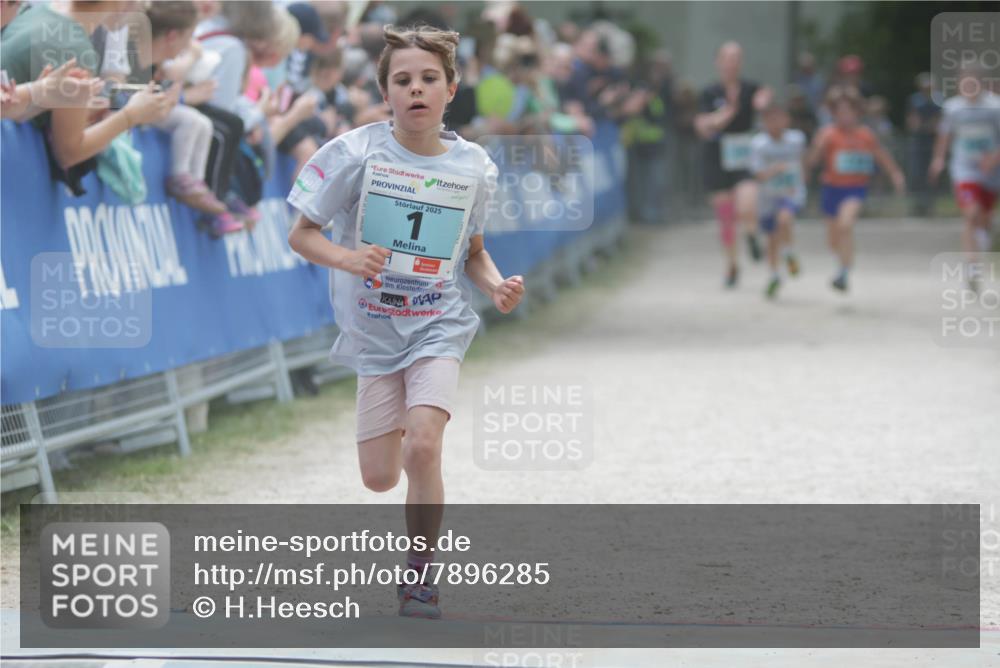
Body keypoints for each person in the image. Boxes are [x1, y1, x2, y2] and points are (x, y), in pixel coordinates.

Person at [286, 24, 525, 619]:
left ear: (451, 89)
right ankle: (397, 428)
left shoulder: (474, 166)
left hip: (437, 323)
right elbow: (301, 234)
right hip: (373, 331)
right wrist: (348, 258)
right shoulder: (354, 154)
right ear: (385, 91)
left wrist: (496, 286)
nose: (416, 89)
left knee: (424, 444)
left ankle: (420, 577)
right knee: (378, 478)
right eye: (402, 80)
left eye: (428, 78)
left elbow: (472, 252)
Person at [807, 86, 905, 293]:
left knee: (846, 224)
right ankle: (843, 260)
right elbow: (813, 161)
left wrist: (895, 173)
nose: (845, 116)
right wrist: (818, 147)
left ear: (857, 112)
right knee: (833, 239)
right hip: (831, 188)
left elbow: (881, 154)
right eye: (840, 111)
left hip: (855, 188)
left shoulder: (865, 134)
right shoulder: (828, 134)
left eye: (849, 111)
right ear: (834, 113)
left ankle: (844, 271)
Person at [695, 41, 773, 287]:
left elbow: (766, 101)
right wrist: (725, 114)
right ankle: (731, 265)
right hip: (717, 157)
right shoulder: (709, 93)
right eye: (727, 58)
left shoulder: (751, 88)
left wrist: (765, 101)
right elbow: (703, 125)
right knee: (726, 217)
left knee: (747, 204)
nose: (732, 63)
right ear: (718, 62)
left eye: (736, 58)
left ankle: (751, 235)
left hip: (744, 156)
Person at [928, 67, 1000, 292]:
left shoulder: (994, 107)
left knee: (985, 218)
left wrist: (994, 158)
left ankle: (984, 238)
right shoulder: (953, 108)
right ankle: (972, 266)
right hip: (964, 169)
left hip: (991, 172)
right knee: (971, 214)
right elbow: (945, 136)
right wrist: (938, 159)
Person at [750, 102, 806, 299]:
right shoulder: (759, 144)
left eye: (779, 118)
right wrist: (776, 170)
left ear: (787, 120)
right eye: (770, 119)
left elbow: (802, 162)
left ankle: (788, 252)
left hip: (790, 192)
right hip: (768, 195)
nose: (775, 123)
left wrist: (800, 180)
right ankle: (774, 275)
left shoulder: (796, 139)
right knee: (771, 238)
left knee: (784, 219)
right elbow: (758, 174)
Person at [906, 72, 941, 216]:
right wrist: (924, 126)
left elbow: (937, 123)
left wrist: (925, 126)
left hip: (933, 142)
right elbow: (913, 122)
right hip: (919, 142)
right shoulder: (915, 100)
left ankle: (931, 205)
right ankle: (918, 205)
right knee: (917, 173)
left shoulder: (938, 100)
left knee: (932, 174)